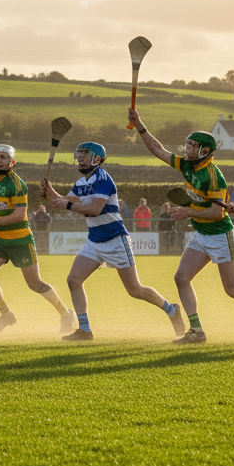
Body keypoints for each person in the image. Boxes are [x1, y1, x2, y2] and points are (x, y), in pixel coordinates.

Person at [129, 109, 234, 344]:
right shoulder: (186, 165)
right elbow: (158, 150)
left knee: (232, 289)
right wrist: (140, 124)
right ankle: (196, 331)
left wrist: (188, 212)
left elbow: (217, 212)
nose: (186, 148)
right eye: (187, 144)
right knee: (181, 278)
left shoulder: (213, 176)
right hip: (201, 234)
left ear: (204, 151)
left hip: (221, 234)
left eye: (192, 145)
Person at [42, 142, 181, 341]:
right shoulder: (81, 183)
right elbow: (63, 201)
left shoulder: (103, 179)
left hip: (115, 240)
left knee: (135, 289)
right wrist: (50, 191)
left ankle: (172, 310)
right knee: (73, 280)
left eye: (85, 153)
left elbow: (95, 209)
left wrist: (66, 204)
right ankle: (84, 329)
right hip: (94, 240)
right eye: (79, 153)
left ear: (97, 159)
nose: (80, 156)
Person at [0, 145, 74, 334]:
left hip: (20, 240)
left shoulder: (18, 185)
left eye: (3, 157)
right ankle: (6, 315)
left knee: (35, 284)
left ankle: (65, 312)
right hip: (0, 240)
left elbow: (20, 214)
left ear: (12, 162)